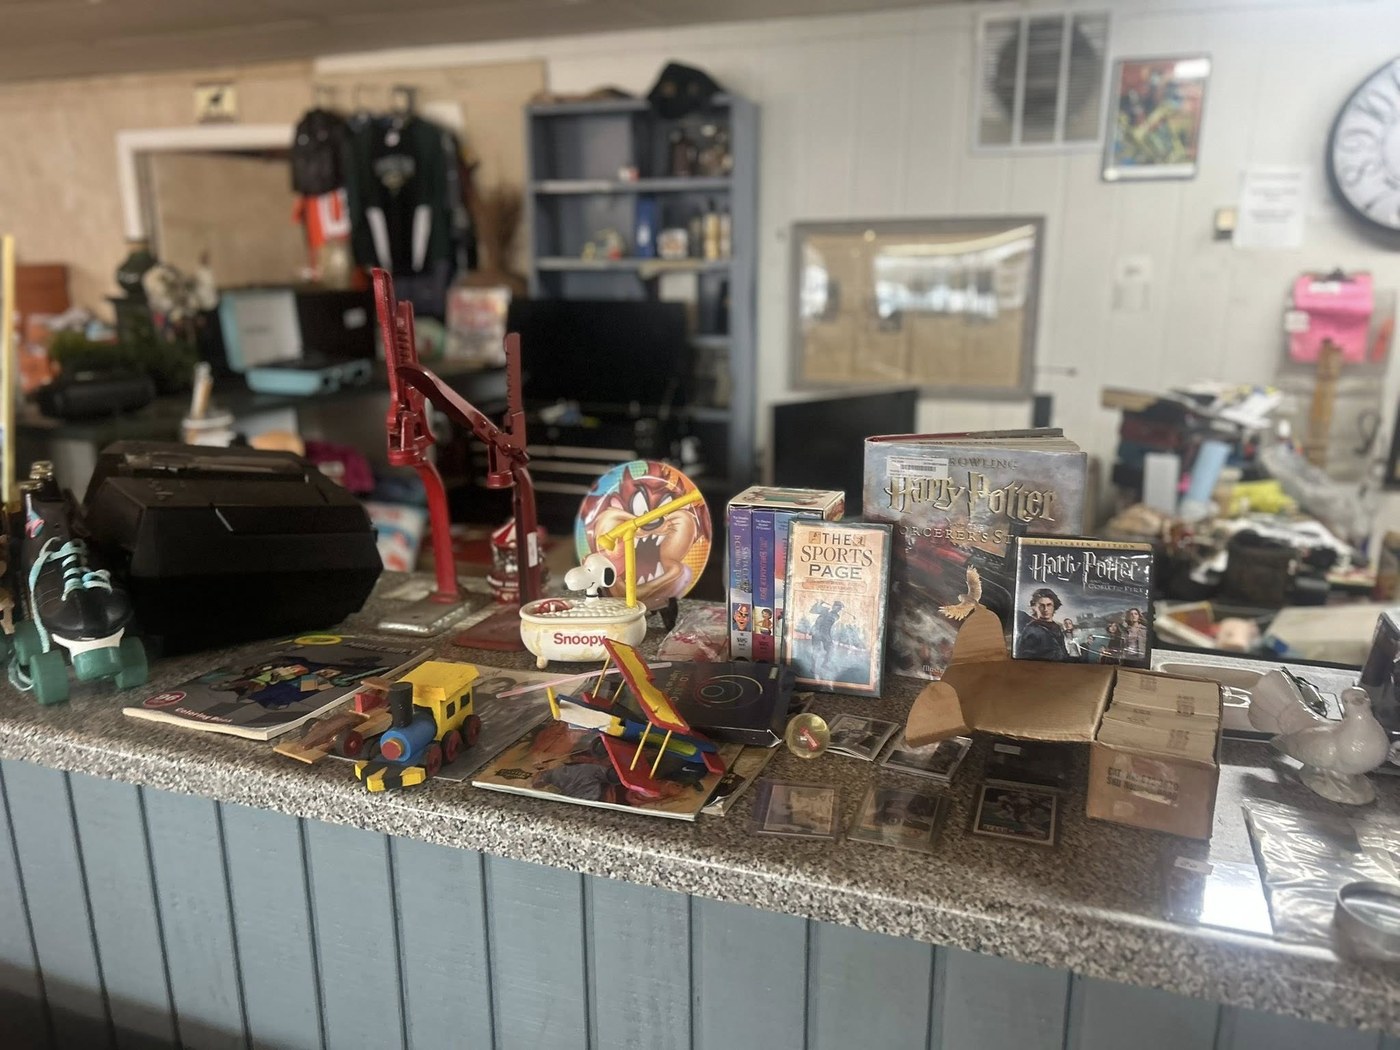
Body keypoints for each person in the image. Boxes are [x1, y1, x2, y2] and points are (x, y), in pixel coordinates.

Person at [1017, 588, 1071, 661]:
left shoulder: (1057, 627)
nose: (1045, 609)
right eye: (1041, 605)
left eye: (1049, 605)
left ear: (1054, 606)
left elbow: (1063, 653)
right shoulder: (1031, 630)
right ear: (1035, 607)